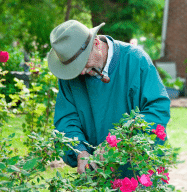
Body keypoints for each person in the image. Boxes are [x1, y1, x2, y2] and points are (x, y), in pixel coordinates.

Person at [47, 20, 170, 177]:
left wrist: (119, 141)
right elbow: (67, 119)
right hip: (97, 167)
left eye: (83, 63)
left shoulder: (136, 60)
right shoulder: (72, 74)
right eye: (74, 68)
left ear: (96, 43)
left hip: (141, 161)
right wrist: (80, 151)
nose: (82, 73)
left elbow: (157, 109)